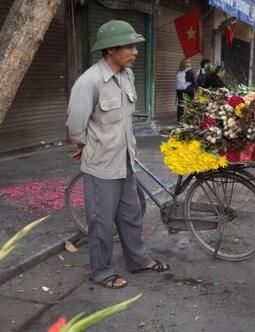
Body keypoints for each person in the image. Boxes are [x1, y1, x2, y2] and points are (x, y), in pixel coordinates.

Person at [66, 20, 169, 289]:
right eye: (130, 47)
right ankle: (101, 272)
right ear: (111, 50)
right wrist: (85, 146)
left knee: (131, 215)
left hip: (126, 161)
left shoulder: (127, 76)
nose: (135, 52)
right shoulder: (88, 82)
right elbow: (75, 127)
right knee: (101, 222)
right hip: (101, 164)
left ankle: (138, 260)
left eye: (136, 47)